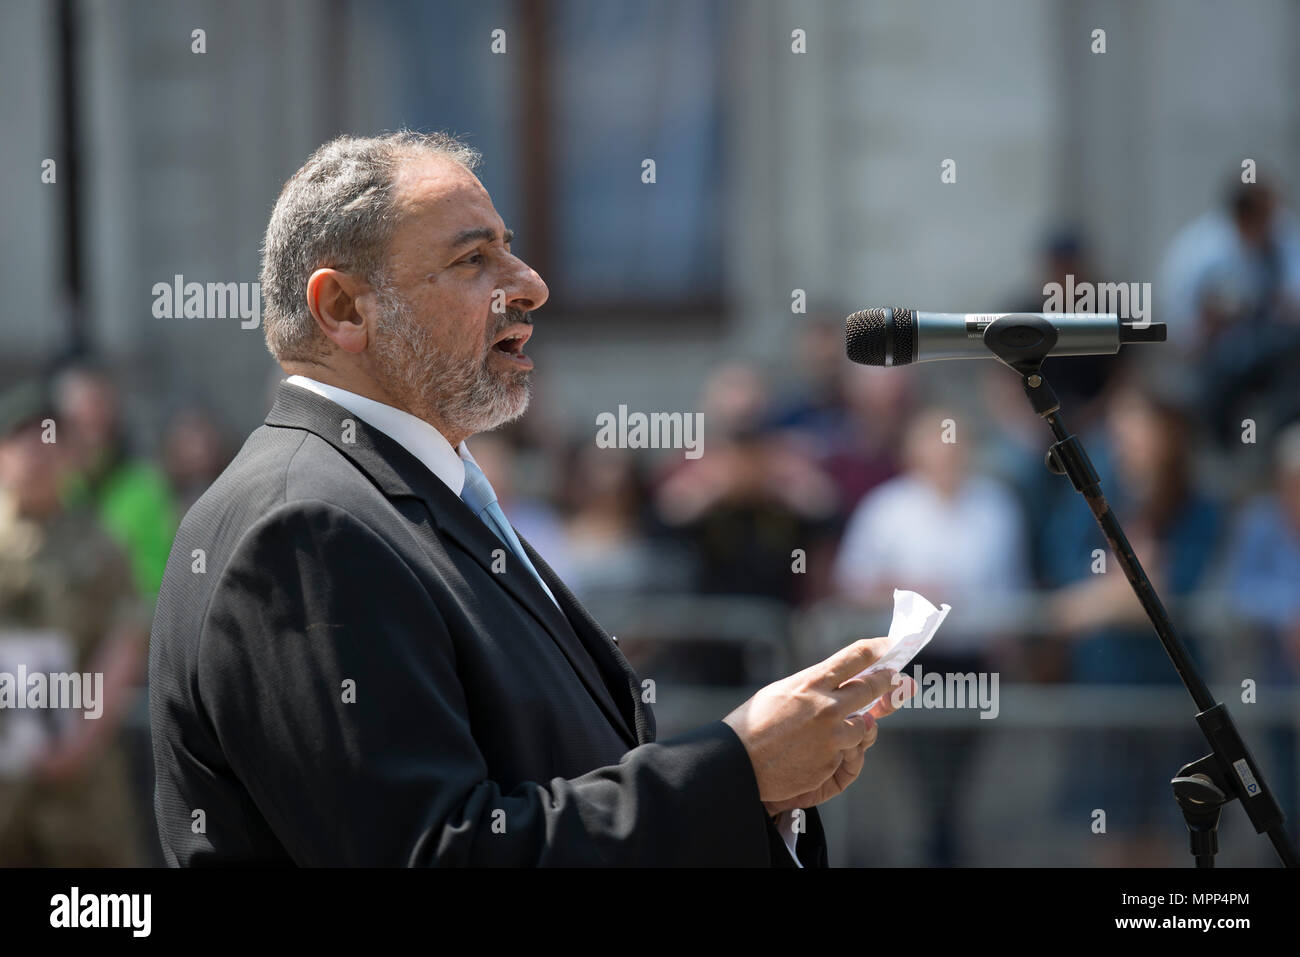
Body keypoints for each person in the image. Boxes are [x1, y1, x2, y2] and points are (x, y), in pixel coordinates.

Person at [149, 131, 915, 867]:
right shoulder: (303, 527)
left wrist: (765, 790)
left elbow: (556, 781)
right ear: (346, 309)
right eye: (474, 258)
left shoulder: (403, 491)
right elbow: (440, 853)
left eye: (508, 246)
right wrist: (736, 769)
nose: (531, 284)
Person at [0, 381, 149, 865]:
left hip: (78, 786)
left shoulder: (102, 546)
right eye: (19, 440)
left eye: (47, 442)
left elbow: (125, 641)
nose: (34, 455)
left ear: (68, 455)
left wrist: (81, 739)